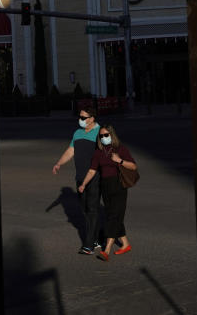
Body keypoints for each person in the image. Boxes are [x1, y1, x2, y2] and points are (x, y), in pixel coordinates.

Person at [79, 124, 136, 261]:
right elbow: (92, 170)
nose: (104, 137)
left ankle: (107, 250)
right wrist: (83, 184)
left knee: (113, 217)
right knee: (113, 215)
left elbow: (133, 166)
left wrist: (120, 160)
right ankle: (126, 244)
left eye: (106, 135)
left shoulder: (120, 149)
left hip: (119, 185)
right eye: (101, 136)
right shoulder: (98, 152)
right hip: (105, 186)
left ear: (112, 135)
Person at [52, 105, 102, 254]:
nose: (80, 120)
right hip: (80, 177)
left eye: (83, 118)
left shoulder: (100, 133)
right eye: (79, 117)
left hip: (94, 176)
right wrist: (59, 163)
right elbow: (70, 150)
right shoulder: (77, 133)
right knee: (85, 209)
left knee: (92, 209)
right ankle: (96, 238)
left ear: (92, 119)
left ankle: (88, 245)